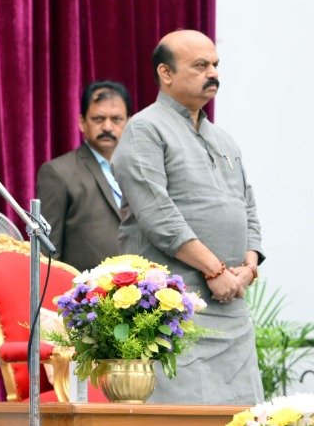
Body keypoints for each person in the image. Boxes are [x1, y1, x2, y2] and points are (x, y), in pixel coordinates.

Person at [111, 29, 263, 404]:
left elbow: (248, 207)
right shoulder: (144, 129)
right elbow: (158, 215)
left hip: (231, 304)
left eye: (215, 64)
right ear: (166, 73)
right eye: (200, 66)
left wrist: (249, 264)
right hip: (175, 307)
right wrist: (214, 270)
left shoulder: (224, 139)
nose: (213, 73)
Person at [36, 81, 131, 271]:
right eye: (98, 119)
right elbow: (47, 253)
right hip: (84, 296)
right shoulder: (58, 172)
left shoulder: (142, 170)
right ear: (81, 122)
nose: (107, 127)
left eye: (116, 119)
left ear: (128, 122)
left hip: (141, 293)